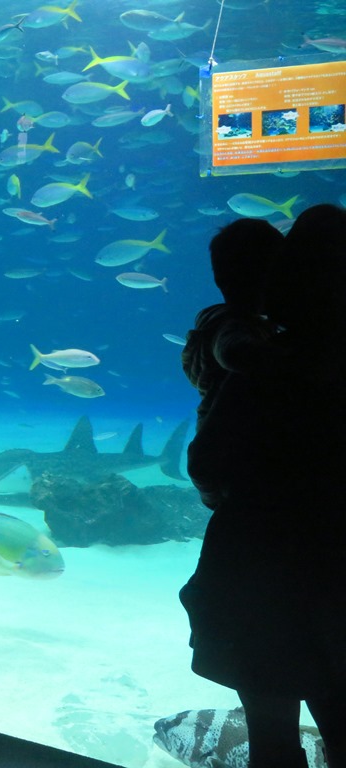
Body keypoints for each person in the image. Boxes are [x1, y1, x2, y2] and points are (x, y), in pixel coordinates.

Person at [181, 204, 346, 768]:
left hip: (263, 572)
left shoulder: (270, 366)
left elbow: (207, 462)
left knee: (273, 733)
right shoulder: (243, 338)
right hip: (323, 571)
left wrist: (229, 499)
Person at [181, 218, 284, 424]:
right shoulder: (231, 325)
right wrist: (289, 356)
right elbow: (232, 351)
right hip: (232, 446)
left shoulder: (218, 320)